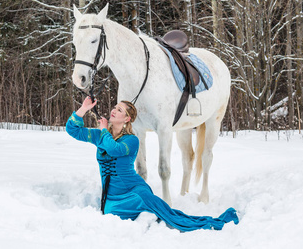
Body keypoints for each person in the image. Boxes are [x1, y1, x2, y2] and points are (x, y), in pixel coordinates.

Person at [66, 96, 239, 232]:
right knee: (111, 212)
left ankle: (172, 216)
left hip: (134, 190)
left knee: (167, 215)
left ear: (127, 119)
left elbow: (114, 150)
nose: (113, 110)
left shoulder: (131, 140)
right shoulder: (100, 136)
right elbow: (72, 129)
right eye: (114, 107)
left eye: (119, 110)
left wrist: (103, 129)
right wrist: (84, 108)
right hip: (112, 196)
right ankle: (147, 212)